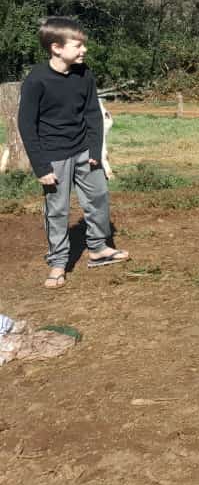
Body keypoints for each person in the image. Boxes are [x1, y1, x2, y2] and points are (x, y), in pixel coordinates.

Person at [18, 17, 129, 289]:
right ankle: (58, 262)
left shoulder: (84, 74)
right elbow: (26, 125)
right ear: (56, 48)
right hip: (53, 156)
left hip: (84, 151)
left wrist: (95, 149)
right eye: (78, 45)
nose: (84, 50)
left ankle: (98, 248)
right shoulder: (37, 80)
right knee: (57, 210)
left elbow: (93, 113)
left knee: (98, 197)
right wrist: (41, 167)